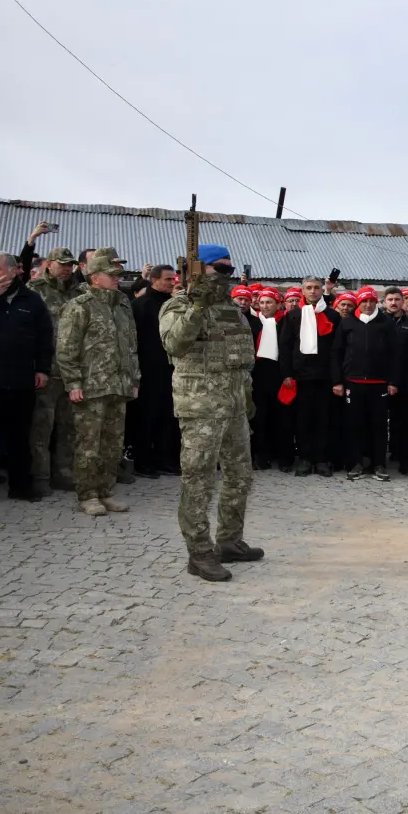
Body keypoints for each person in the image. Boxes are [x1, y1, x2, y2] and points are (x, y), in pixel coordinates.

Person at [159, 244, 262, 581]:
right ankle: (199, 553)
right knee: (199, 479)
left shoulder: (232, 309)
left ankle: (229, 542)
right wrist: (197, 306)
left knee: (239, 475)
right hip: (200, 407)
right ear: (200, 269)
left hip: (233, 406)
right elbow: (174, 344)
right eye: (221, 269)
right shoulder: (179, 305)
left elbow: (242, 359)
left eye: (230, 271)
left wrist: (246, 397)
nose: (226, 277)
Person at [56, 248, 139, 516]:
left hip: (119, 384)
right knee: (88, 443)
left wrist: (134, 378)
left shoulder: (123, 304)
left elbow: (131, 345)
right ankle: (87, 494)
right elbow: (67, 348)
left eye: (118, 274)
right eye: (111, 274)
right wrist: (73, 383)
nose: (117, 278)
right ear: (94, 277)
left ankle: (106, 490)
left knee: (112, 443)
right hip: (91, 386)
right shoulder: (79, 306)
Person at [27, 239, 83, 496]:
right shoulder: (35, 290)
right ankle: (40, 476)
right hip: (47, 370)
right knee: (41, 427)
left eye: (70, 265)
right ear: (49, 265)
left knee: (69, 427)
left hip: (72, 371)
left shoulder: (79, 292)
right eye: (62, 265)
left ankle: (64, 474)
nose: (67, 269)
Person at [0, 251, 54, 501]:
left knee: (20, 435)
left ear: (13, 271)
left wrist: (42, 369)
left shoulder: (31, 300)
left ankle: (21, 486)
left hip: (21, 379)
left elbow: (45, 337)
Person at [332, 288, 398, 481]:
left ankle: (379, 464)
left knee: (378, 426)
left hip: (379, 384)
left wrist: (393, 381)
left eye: (371, 301)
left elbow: (395, 355)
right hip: (353, 382)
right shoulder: (347, 323)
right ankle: (355, 463)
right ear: (358, 304)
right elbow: (336, 353)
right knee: (354, 425)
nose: (368, 305)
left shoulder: (387, 323)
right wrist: (338, 381)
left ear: (377, 302)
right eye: (364, 302)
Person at [279, 276, 340, 477]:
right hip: (300, 376)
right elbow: (285, 347)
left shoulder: (332, 315)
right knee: (303, 419)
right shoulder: (293, 316)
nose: (313, 291)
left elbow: (337, 349)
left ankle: (321, 459)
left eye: (316, 288)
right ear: (302, 291)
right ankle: (305, 458)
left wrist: (336, 377)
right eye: (308, 288)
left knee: (324, 419)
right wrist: (286, 373)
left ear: (322, 290)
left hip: (324, 376)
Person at [129, 264, 179, 479]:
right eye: (167, 279)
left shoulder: (172, 304)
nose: (172, 283)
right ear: (154, 279)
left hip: (169, 370)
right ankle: (143, 462)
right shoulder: (140, 305)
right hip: (147, 371)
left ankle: (164, 459)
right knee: (146, 418)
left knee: (167, 417)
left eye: (173, 279)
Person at [249, 288, 291, 471]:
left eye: (269, 302)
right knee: (260, 418)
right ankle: (261, 456)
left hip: (280, 375)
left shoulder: (286, 322)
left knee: (282, 418)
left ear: (278, 304)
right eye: (262, 303)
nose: (265, 306)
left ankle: (284, 458)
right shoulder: (253, 323)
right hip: (259, 375)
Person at [383, 288, 408, 475]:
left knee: (402, 423)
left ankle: (404, 460)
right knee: (379, 423)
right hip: (381, 381)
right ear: (384, 301)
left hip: (404, 381)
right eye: (390, 299)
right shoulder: (377, 321)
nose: (393, 303)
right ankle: (378, 460)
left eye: (397, 299)